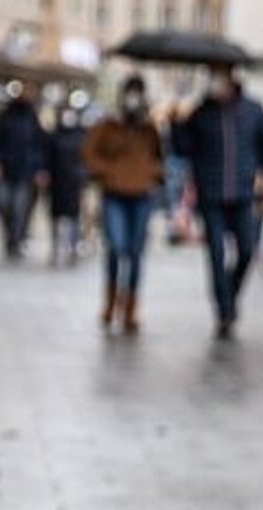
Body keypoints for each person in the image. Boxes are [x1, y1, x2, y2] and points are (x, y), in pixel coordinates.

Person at [172, 65, 263, 339]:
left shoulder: (253, 110)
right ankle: (224, 310)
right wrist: (176, 122)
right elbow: (183, 148)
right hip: (211, 194)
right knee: (216, 254)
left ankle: (230, 293)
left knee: (247, 250)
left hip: (243, 192)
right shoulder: (201, 113)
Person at [83, 76, 166, 333]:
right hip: (114, 194)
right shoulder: (109, 126)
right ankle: (110, 300)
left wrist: (152, 174)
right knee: (116, 248)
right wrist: (106, 173)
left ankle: (130, 306)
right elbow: (89, 152)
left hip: (141, 195)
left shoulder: (149, 128)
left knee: (136, 252)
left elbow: (160, 157)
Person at [0, 83, 51, 260]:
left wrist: (40, 169)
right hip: (6, 169)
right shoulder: (4, 117)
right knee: (4, 205)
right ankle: (9, 237)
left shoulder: (32, 118)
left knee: (20, 208)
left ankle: (16, 240)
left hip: (26, 172)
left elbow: (39, 145)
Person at [48, 106, 89, 266]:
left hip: (75, 183)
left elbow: (86, 159)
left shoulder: (81, 136)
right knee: (56, 216)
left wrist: (83, 175)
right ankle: (56, 247)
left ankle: (73, 247)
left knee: (74, 216)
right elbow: (48, 157)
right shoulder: (55, 136)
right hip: (57, 183)